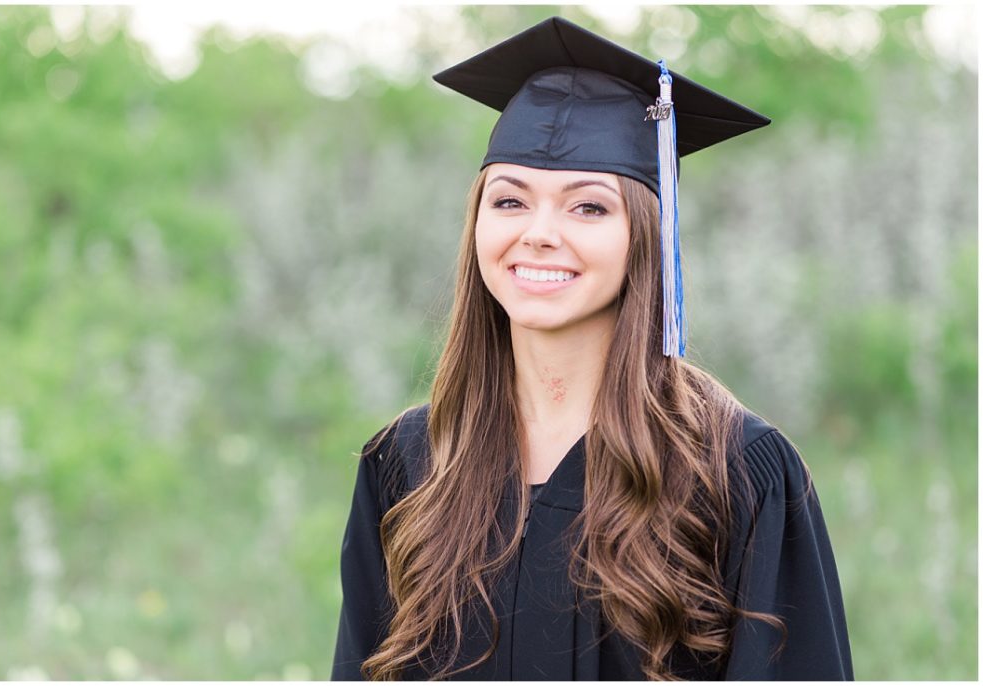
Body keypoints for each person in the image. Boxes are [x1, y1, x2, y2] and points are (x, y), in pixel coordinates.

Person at [331, 16, 853, 681]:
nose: (540, 233)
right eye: (510, 201)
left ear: (647, 235)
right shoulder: (408, 467)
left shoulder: (734, 473)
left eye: (588, 208)